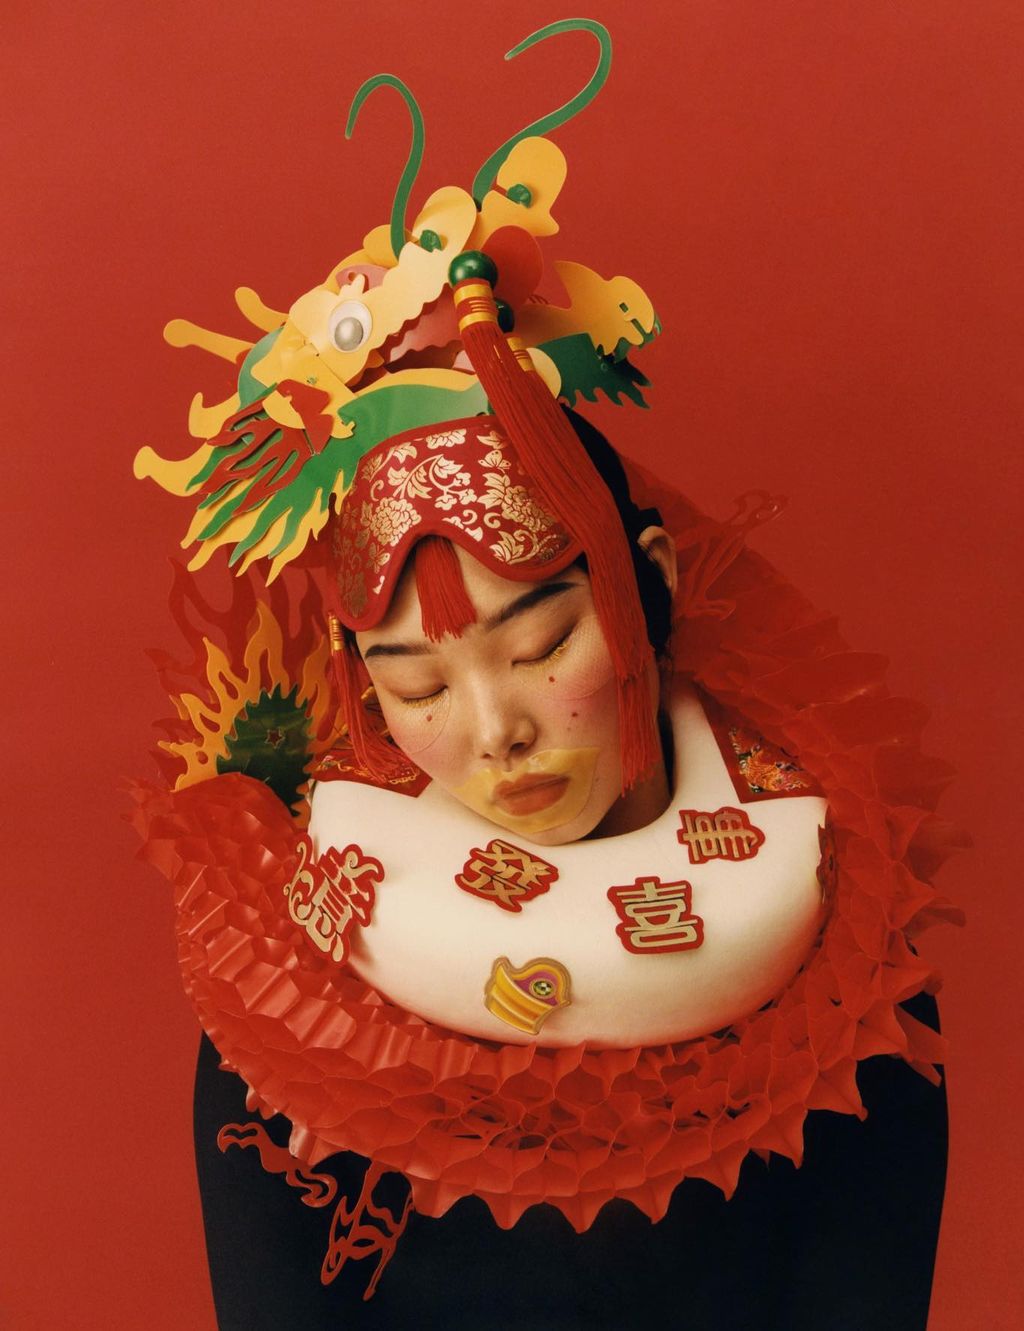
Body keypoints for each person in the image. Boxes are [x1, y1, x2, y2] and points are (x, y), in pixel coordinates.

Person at [133, 22, 958, 1327]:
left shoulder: (845, 966)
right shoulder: (293, 991)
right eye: (418, 685)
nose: (496, 730)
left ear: (647, 583)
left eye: (537, 647)